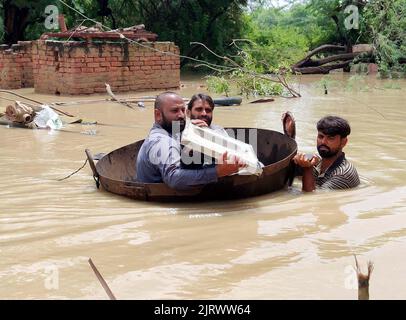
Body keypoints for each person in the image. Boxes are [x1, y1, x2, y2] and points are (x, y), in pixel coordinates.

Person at [136, 92, 246, 190]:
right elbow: (174, 178)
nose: (181, 115)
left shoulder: (177, 133)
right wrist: (218, 172)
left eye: (182, 110)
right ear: (158, 115)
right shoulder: (162, 140)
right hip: (165, 200)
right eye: (175, 111)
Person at [291, 115, 360, 192]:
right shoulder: (317, 159)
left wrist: (308, 168)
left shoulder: (343, 174)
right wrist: (290, 136)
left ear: (343, 142)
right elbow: (296, 157)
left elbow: (312, 197)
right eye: (321, 136)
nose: (323, 142)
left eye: (331, 138)